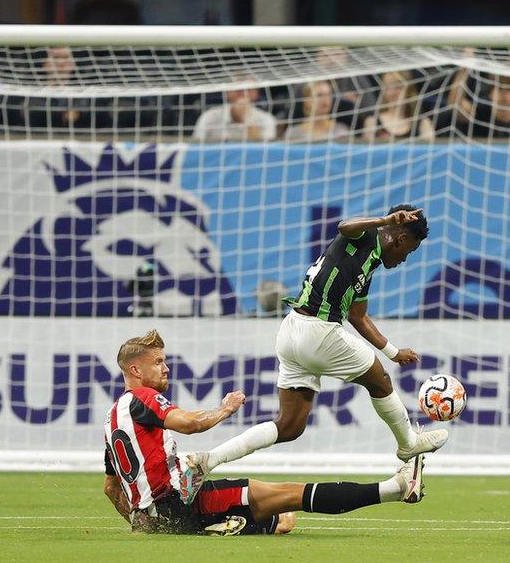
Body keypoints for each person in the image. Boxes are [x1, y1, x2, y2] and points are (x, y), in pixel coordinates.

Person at [182, 205, 448, 501]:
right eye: (408, 252)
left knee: (289, 426)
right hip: (318, 331)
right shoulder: (365, 238)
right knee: (380, 380)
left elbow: (359, 316)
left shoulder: (367, 266)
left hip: (293, 330)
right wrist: (385, 221)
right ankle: (408, 444)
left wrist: (393, 351)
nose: (404, 259)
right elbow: (345, 227)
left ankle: (205, 460)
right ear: (398, 238)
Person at [103, 329, 425, 535]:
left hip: (166, 508)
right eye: (158, 362)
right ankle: (397, 487)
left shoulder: (112, 417)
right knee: (289, 499)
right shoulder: (142, 398)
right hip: (182, 501)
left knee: (282, 520)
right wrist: (225, 409)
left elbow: (111, 489)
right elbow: (189, 423)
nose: (166, 368)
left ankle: (217, 526)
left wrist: (146, 523)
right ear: (135, 370)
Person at [193, 76, 278, 142]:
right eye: (238, 89)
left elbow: (264, 153)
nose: (243, 94)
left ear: (256, 93)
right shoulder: (209, 116)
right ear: (227, 92)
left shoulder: (266, 119)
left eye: (248, 90)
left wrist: (248, 118)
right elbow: (196, 147)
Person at [362, 71, 434, 142]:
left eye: (398, 87)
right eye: (387, 87)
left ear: (409, 89)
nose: (391, 92)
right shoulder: (372, 121)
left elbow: (431, 151)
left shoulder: (423, 123)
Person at [284, 80, 350, 143]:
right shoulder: (293, 133)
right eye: (319, 95)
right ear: (307, 101)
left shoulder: (341, 130)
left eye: (328, 94)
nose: (325, 99)